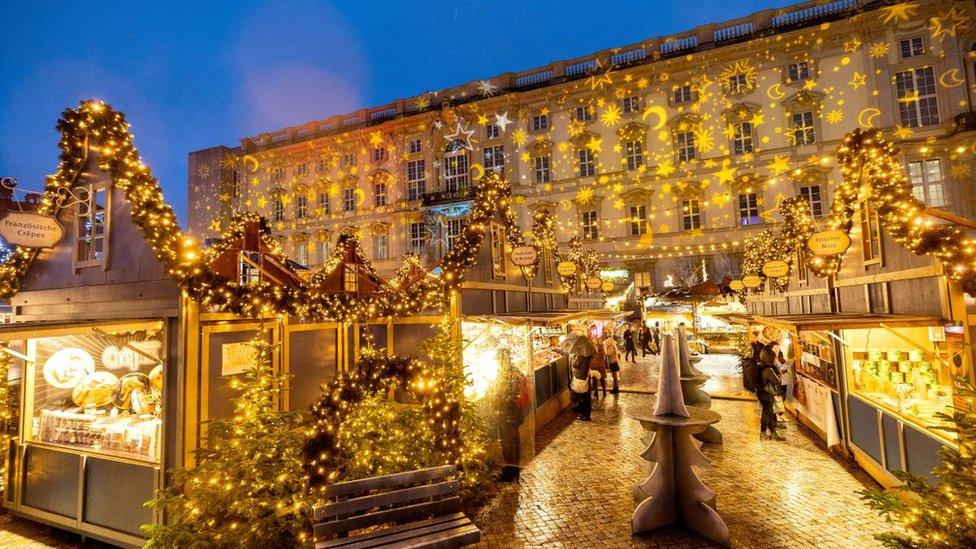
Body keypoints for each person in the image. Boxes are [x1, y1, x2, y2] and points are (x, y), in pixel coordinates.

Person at [757, 343, 785, 440]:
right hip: (767, 393)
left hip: (761, 393)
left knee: (769, 412)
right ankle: (763, 433)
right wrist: (779, 375)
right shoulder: (769, 369)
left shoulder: (760, 365)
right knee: (767, 413)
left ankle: (772, 432)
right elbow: (777, 381)